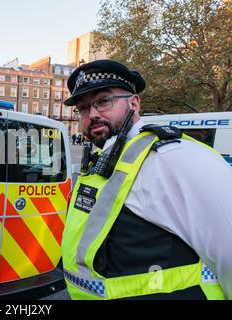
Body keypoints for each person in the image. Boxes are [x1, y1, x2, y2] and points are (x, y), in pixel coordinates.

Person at [61, 59, 232, 300]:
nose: (92, 115)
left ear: (134, 102)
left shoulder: (178, 159)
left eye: (103, 101)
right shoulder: (105, 159)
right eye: (83, 108)